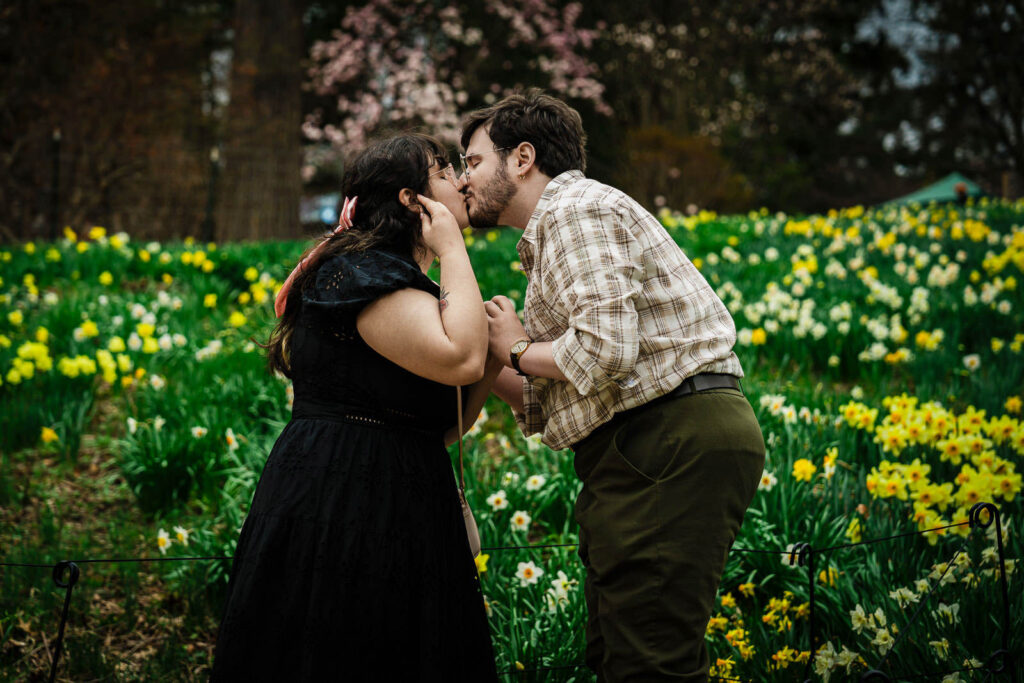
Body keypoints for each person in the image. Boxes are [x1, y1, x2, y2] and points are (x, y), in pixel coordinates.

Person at [461, 90, 766, 682]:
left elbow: (603, 349)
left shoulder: (575, 210)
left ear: (522, 158)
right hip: (646, 444)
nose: (465, 179)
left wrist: (518, 348)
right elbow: (551, 390)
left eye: (472, 162)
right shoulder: (554, 233)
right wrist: (479, 352)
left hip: (666, 438)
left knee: (648, 663)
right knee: (620, 655)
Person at [210, 133, 500, 682]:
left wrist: (490, 354)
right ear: (413, 200)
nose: (461, 179)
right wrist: (454, 253)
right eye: (444, 170)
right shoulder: (360, 275)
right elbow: (459, 357)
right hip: (346, 497)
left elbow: (442, 425)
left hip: (403, 492)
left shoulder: (400, 280)